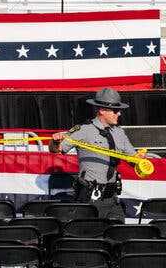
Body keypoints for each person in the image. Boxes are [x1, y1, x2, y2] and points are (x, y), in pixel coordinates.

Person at [49, 88, 145, 221]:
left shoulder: (119, 132)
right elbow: (56, 150)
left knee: (118, 234)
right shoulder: (83, 130)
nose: (119, 114)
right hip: (90, 199)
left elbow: (132, 158)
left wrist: (139, 160)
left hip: (112, 199)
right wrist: (54, 141)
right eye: (115, 111)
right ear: (102, 110)